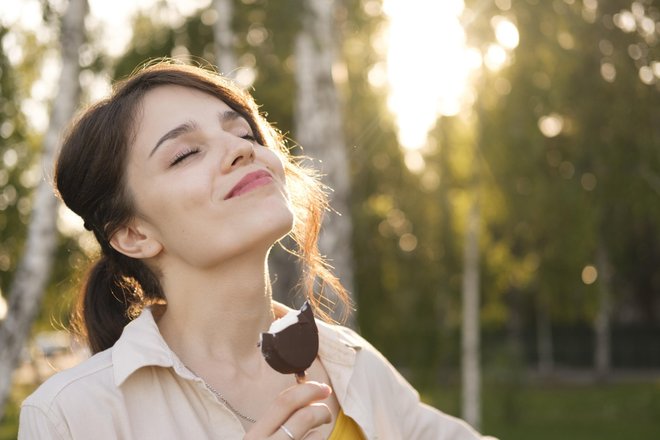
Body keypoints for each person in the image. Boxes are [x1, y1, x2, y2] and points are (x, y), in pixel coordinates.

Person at [18, 60, 489, 439]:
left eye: (243, 133)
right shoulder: (70, 417)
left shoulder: (350, 362)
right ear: (134, 234)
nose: (241, 149)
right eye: (185, 154)